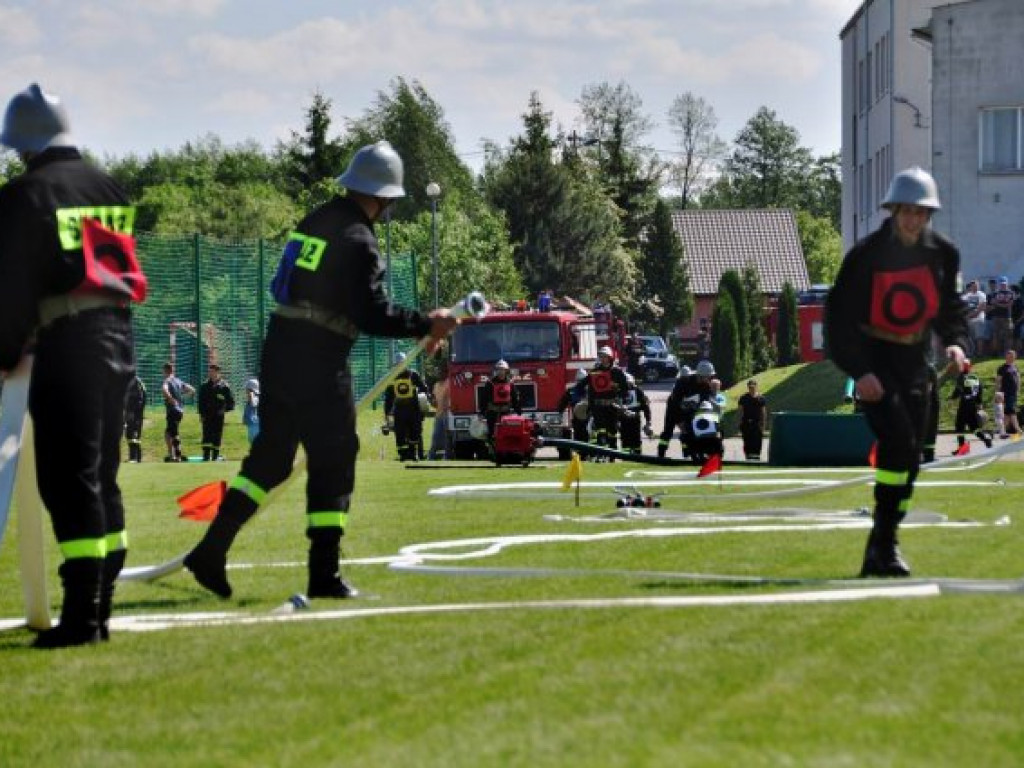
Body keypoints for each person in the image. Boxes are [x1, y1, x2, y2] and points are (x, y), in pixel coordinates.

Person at [184, 140, 457, 600]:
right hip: (319, 357)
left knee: (269, 460)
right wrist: (426, 323)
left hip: (281, 347)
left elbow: (296, 287)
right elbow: (369, 312)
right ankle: (323, 576)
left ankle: (212, 548)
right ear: (385, 197)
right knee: (334, 460)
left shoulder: (315, 221)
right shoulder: (358, 238)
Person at [0, 83, 147, 647]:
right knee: (101, 475)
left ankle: (83, 617)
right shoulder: (106, 184)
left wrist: (6, 351)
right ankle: (99, 607)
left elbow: (11, 288)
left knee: (68, 480)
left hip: (65, 340)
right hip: (118, 336)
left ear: (24, 143)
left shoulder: (24, 195)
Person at [826, 167, 968, 578]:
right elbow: (838, 319)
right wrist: (860, 371)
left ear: (929, 215)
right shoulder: (866, 255)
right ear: (893, 210)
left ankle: (880, 545)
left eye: (921, 213)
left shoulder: (943, 253)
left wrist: (956, 342)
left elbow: (948, 308)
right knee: (899, 443)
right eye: (906, 212)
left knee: (913, 458)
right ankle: (886, 546)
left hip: (915, 362)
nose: (913, 220)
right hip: (875, 360)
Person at [575, 345, 629, 455]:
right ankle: (601, 454)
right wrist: (579, 394)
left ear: (610, 357)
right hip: (598, 406)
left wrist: (620, 396)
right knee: (600, 430)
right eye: (601, 356)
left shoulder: (617, 372)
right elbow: (583, 384)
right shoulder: (595, 371)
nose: (603, 358)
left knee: (612, 431)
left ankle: (613, 454)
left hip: (612, 406)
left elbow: (625, 388)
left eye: (605, 356)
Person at [657, 360, 718, 459]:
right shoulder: (684, 382)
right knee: (668, 431)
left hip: (690, 411)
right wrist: (679, 420)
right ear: (701, 375)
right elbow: (675, 402)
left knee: (690, 432)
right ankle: (661, 454)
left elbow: (706, 404)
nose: (709, 379)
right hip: (673, 409)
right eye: (708, 376)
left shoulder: (706, 387)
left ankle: (692, 454)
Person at [383, 352, 430, 461]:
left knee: (415, 432)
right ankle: (403, 455)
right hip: (399, 411)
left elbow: (424, 388)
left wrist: (423, 396)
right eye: (398, 364)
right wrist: (387, 414)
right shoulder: (392, 378)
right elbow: (389, 397)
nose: (400, 365)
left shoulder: (414, 375)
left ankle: (413, 454)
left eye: (402, 363)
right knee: (400, 434)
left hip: (414, 410)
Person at [949, 363, 992, 454]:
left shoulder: (962, 377)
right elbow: (980, 391)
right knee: (974, 427)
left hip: (964, 406)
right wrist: (979, 403)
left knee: (959, 427)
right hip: (973, 406)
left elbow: (958, 390)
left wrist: (952, 398)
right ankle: (986, 439)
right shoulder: (976, 378)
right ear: (970, 368)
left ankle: (962, 448)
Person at [197, 362, 235, 461]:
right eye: (209, 372)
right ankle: (206, 456)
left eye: (212, 372)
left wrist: (223, 410)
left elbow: (231, 403)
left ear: (218, 372)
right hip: (207, 416)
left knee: (217, 436)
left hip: (218, 416)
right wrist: (201, 414)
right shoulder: (204, 386)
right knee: (206, 436)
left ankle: (215, 457)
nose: (210, 373)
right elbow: (200, 402)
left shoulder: (225, 387)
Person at [478, 359, 522, 445]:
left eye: (502, 370)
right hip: (492, 412)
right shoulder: (490, 383)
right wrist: (482, 413)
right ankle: (492, 450)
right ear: (496, 371)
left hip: (506, 412)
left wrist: (518, 412)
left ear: (506, 371)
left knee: (507, 432)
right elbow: (484, 398)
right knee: (491, 433)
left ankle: (506, 449)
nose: (501, 372)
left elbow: (515, 397)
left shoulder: (510, 383)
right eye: (499, 369)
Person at [161, 361, 194, 462]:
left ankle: (177, 456)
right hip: (180, 411)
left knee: (174, 433)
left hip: (172, 410)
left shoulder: (167, 380)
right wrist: (183, 397)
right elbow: (192, 390)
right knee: (168, 432)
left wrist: (170, 398)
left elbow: (164, 389)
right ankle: (171, 454)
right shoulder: (178, 381)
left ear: (165, 371)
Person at [618, 372, 653, 455]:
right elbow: (616, 407)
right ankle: (626, 458)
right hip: (624, 420)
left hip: (635, 419)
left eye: (629, 383)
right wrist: (616, 421)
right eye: (626, 384)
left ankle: (637, 456)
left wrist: (648, 421)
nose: (628, 386)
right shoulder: (619, 392)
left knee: (636, 439)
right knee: (625, 440)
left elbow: (645, 407)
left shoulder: (638, 391)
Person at [737, 378, 768, 461]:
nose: (752, 388)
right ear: (748, 387)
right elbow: (740, 411)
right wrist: (739, 423)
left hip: (757, 423)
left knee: (757, 440)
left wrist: (763, 425)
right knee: (747, 440)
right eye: (750, 387)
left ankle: (756, 457)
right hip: (746, 422)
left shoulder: (761, 398)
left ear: (756, 387)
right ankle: (748, 457)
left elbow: (763, 413)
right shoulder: (743, 398)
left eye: (753, 386)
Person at [427, 356, 450, 460]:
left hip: (448, 414)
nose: (439, 374)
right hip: (439, 414)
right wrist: (433, 402)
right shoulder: (436, 385)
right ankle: (431, 456)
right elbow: (435, 401)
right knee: (436, 437)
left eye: (441, 371)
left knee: (447, 438)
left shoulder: (449, 382)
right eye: (438, 372)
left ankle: (447, 456)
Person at [995, 348, 1021, 437]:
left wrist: (1018, 389)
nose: (1011, 358)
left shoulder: (1015, 367)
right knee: (1011, 411)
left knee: (1007, 412)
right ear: (1006, 357)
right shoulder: (1002, 368)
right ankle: (1018, 429)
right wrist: (997, 393)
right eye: (1009, 356)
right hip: (1004, 393)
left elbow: (1018, 379)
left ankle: (1001, 430)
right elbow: (998, 381)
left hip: (1013, 393)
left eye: (1012, 356)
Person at [988, 276, 1015, 357]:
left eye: (1004, 284)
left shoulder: (1010, 293)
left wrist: (998, 304)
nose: (1003, 285)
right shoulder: (995, 293)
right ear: (999, 284)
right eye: (1001, 284)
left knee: (1008, 336)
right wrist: (1003, 305)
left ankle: (1007, 353)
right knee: (996, 336)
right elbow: (993, 303)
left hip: (1007, 317)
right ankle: (996, 353)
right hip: (997, 317)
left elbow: (1010, 305)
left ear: (1007, 283)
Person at [123, 374, 147, 463]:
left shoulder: (132, 381)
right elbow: (144, 395)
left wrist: (129, 409)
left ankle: (133, 458)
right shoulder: (139, 381)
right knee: (135, 434)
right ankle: (137, 457)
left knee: (131, 433)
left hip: (133, 410)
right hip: (138, 411)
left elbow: (127, 396)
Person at [962, 280, 987, 358]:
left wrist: (971, 315)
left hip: (979, 319)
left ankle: (980, 354)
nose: (974, 287)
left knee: (979, 337)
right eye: (973, 286)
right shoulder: (966, 296)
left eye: (976, 285)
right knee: (970, 338)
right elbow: (963, 307)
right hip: (969, 320)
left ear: (978, 286)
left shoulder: (981, 294)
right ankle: (971, 353)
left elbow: (982, 307)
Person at [242, 377, 260, 444]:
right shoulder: (252, 398)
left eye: (247, 389)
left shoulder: (255, 397)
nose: (246, 391)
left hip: (255, 425)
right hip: (252, 425)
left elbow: (254, 403)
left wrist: (251, 394)